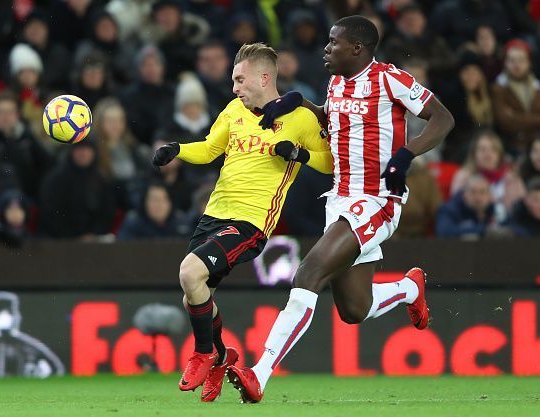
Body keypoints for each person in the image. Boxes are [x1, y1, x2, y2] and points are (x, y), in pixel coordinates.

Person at [226, 16, 454, 403]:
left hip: (377, 200)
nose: (326, 49)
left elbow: (443, 117)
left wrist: (406, 154)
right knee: (354, 309)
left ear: (358, 49)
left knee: (309, 272)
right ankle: (407, 288)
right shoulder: (335, 83)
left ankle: (259, 373)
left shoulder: (389, 79)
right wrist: (298, 103)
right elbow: (335, 125)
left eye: (334, 43)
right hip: (340, 200)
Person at [152, 43, 332, 402]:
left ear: (264, 78)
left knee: (190, 273)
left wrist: (299, 154)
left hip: (251, 221)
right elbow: (209, 148)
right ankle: (222, 355)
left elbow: (329, 162)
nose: (234, 87)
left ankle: (205, 354)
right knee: (195, 297)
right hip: (214, 215)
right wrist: (178, 150)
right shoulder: (234, 109)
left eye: (239, 79)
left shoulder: (299, 119)